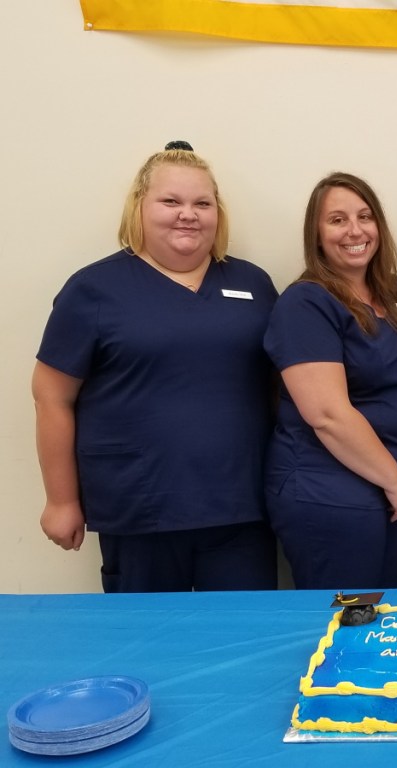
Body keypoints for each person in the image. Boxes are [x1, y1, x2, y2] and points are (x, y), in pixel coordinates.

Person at [32, 142, 279, 592]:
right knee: (148, 648)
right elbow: (51, 395)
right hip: (140, 509)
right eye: (171, 201)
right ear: (140, 208)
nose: (188, 214)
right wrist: (61, 500)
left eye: (202, 203)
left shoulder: (253, 285)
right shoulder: (93, 290)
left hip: (240, 509)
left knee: (238, 645)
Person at [263, 172, 397, 590]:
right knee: (345, 623)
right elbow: (327, 415)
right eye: (337, 220)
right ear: (316, 234)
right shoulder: (305, 303)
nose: (355, 230)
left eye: (365, 216)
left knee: (384, 619)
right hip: (330, 494)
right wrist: (396, 483)